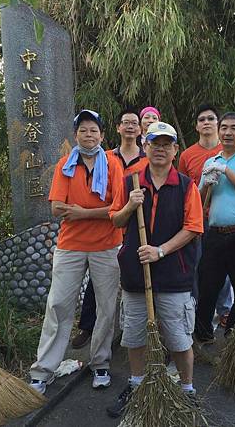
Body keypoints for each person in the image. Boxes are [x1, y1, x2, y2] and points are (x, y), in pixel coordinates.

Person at [106, 121, 203, 418]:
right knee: (135, 335)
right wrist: (129, 206)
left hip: (175, 274)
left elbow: (193, 228)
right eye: (154, 144)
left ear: (175, 150)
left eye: (166, 144)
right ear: (145, 147)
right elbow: (115, 220)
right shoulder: (130, 182)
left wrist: (160, 251)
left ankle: (187, 389)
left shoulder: (186, 185)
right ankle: (136, 385)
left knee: (178, 337)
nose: (160, 149)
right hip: (136, 274)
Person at [30, 109, 123, 393]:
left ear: (103, 135)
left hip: (107, 245)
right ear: (75, 135)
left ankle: (101, 363)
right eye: (83, 130)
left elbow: (118, 210)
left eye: (94, 130)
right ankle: (43, 370)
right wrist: (96, 212)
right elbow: (57, 208)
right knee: (58, 305)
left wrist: (81, 212)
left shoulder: (113, 165)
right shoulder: (65, 165)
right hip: (70, 245)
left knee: (107, 308)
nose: (89, 134)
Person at [71, 108, 149, 349]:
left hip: (138, 227)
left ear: (139, 129)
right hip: (108, 229)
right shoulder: (105, 157)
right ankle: (87, 326)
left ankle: (132, 329)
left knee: (136, 279)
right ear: (117, 128)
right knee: (98, 283)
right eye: (125, 122)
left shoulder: (148, 158)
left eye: (134, 123)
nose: (129, 127)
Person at [194, 112, 235, 343]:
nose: (228, 132)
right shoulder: (210, 162)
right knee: (206, 286)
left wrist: (226, 171)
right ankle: (202, 335)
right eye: (224, 128)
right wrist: (207, 183)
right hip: (215, 234)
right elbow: (200, 201)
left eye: (234, 128)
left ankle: (233, 335)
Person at [178, 104, 233, 326]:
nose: (206, 122)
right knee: (197, 265)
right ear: (197, 126)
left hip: (222, 219)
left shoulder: (228, 152)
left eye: (211, 118)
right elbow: (182, 189)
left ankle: (224, 309)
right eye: (202, 119)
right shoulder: (187, 155)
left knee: (222, 267)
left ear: (218, 124)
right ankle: (198, 308)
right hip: (197, 218)